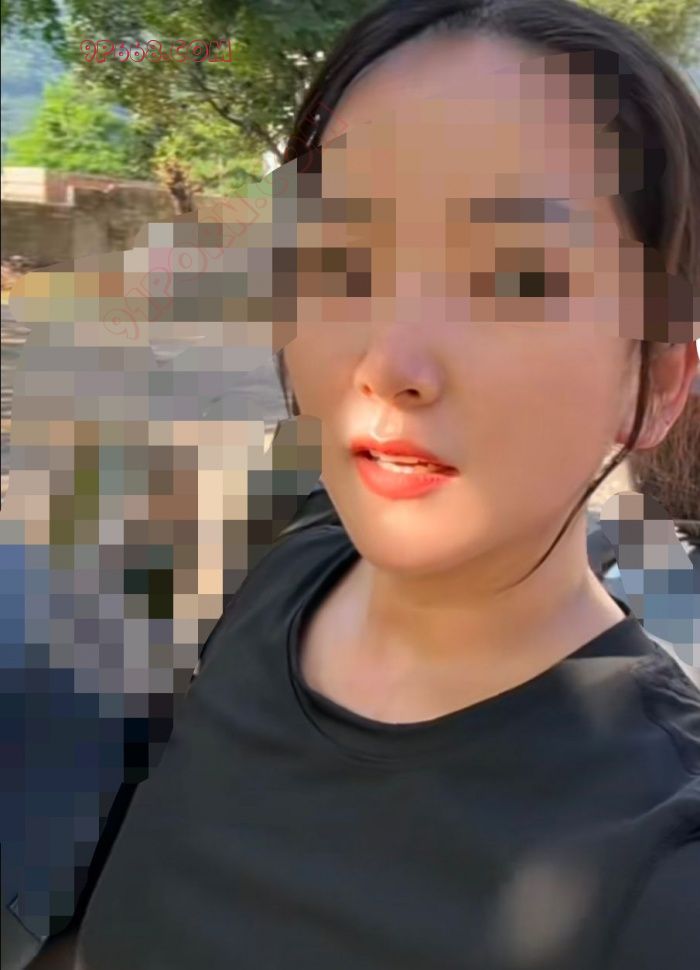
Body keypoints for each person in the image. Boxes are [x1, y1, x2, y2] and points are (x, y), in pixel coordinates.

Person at [39, 1, 700, 968]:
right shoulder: (271, 562)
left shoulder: (661, 871)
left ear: (658, 382)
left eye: (515, 277)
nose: (389, 363)